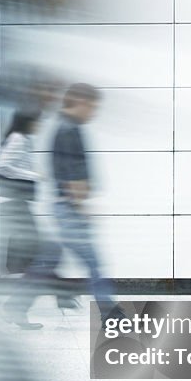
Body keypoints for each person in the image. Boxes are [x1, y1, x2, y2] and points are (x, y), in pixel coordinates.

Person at [51, 83, 121, 321]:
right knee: (95, 263)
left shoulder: (66, 127)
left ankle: (16, 305)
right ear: (80, 102)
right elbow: (72, 176)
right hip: (70, 209)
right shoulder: (69, 130)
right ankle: (111, 315)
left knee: (47, 261)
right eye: (93, 106)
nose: (94, 112)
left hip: (66, 207)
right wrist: (83, 207)